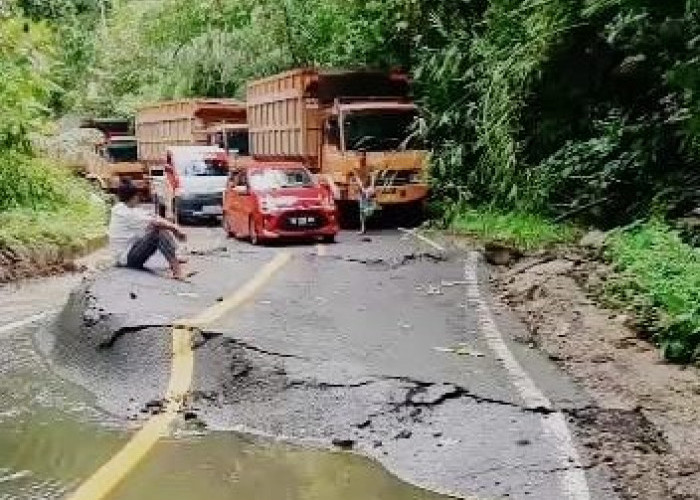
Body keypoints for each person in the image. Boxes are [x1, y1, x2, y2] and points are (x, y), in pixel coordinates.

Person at [109, 179, 187, 280]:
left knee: (159, 226)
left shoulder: (122, 208)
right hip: (126, 258)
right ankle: (177, 271)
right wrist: (176, 229)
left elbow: (153, 216)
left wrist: (173, 228)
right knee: (158, 231)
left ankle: (176, 257)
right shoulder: (125, 212)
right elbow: (155, 222)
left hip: (130, 253)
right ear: (134, 197)